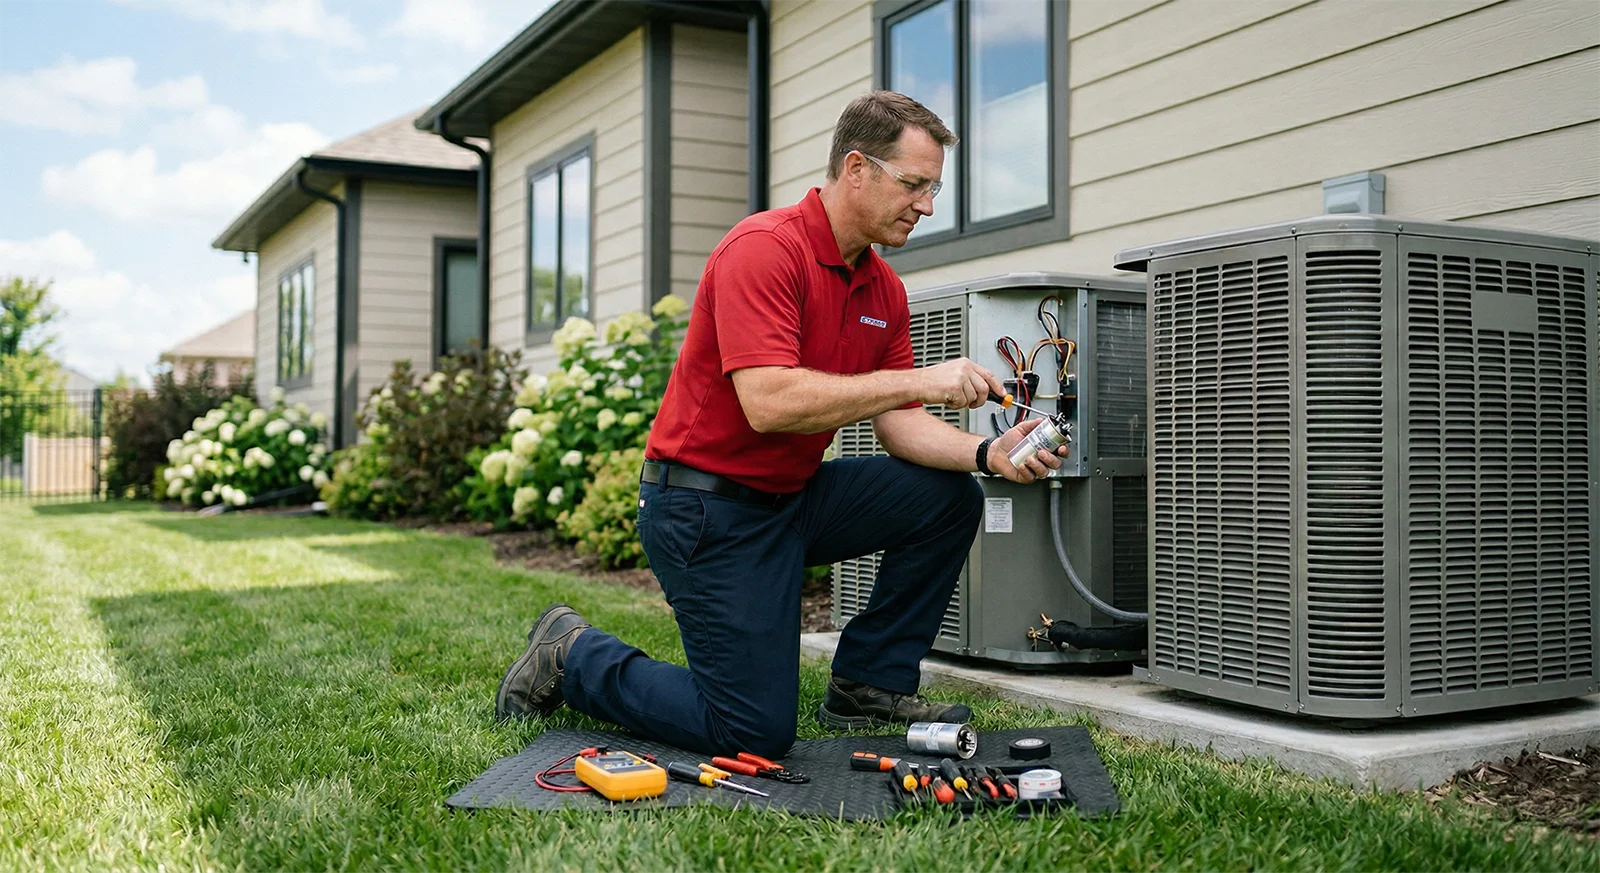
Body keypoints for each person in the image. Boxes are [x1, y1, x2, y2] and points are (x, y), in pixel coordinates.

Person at [494, 91, 1069, 758]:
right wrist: (919, 378)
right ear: (856, 169)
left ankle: (868, 682)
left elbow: (900, 425)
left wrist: (985, 453)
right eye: (913, 184)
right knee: (751, 732)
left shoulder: (882, 290)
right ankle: (574, 655)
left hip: (789, 500)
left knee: (946, 497)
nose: (928, 205)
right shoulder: (765, 251)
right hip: (702, 509)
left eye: (933, 187)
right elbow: (767, 402)